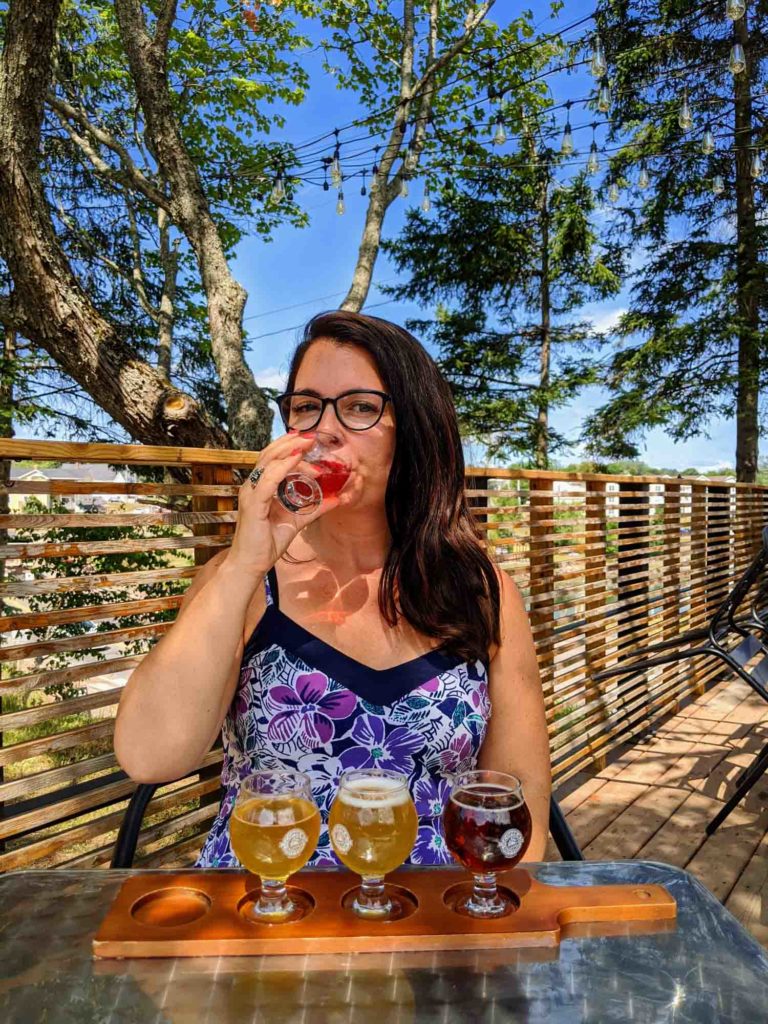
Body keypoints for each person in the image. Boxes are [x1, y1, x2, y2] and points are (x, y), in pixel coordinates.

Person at [114, 311, 551, 866]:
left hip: (435, 922)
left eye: (361, 407)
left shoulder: (481, 593)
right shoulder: (242, 582)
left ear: (414, 429)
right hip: (265, 913)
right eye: (305, 407)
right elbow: (150, 757)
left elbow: (520, 805)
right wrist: (246, 561)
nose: (325, 430)